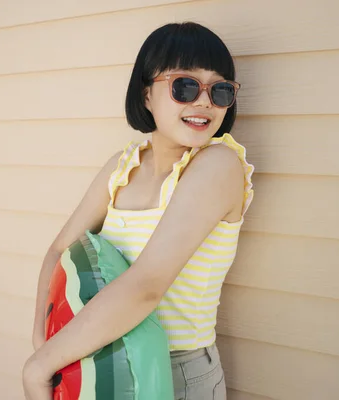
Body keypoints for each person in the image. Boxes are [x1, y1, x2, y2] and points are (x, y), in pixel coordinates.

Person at [22, 21, 254, 400]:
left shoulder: (219, 166)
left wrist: (44, 363)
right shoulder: (121, 166)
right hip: (96, 355)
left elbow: (147, 286)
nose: (204, 102)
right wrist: (44, 340)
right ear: (146, 95)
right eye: (185, 85)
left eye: (220, 89)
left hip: (176, 370)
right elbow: (58, 249)